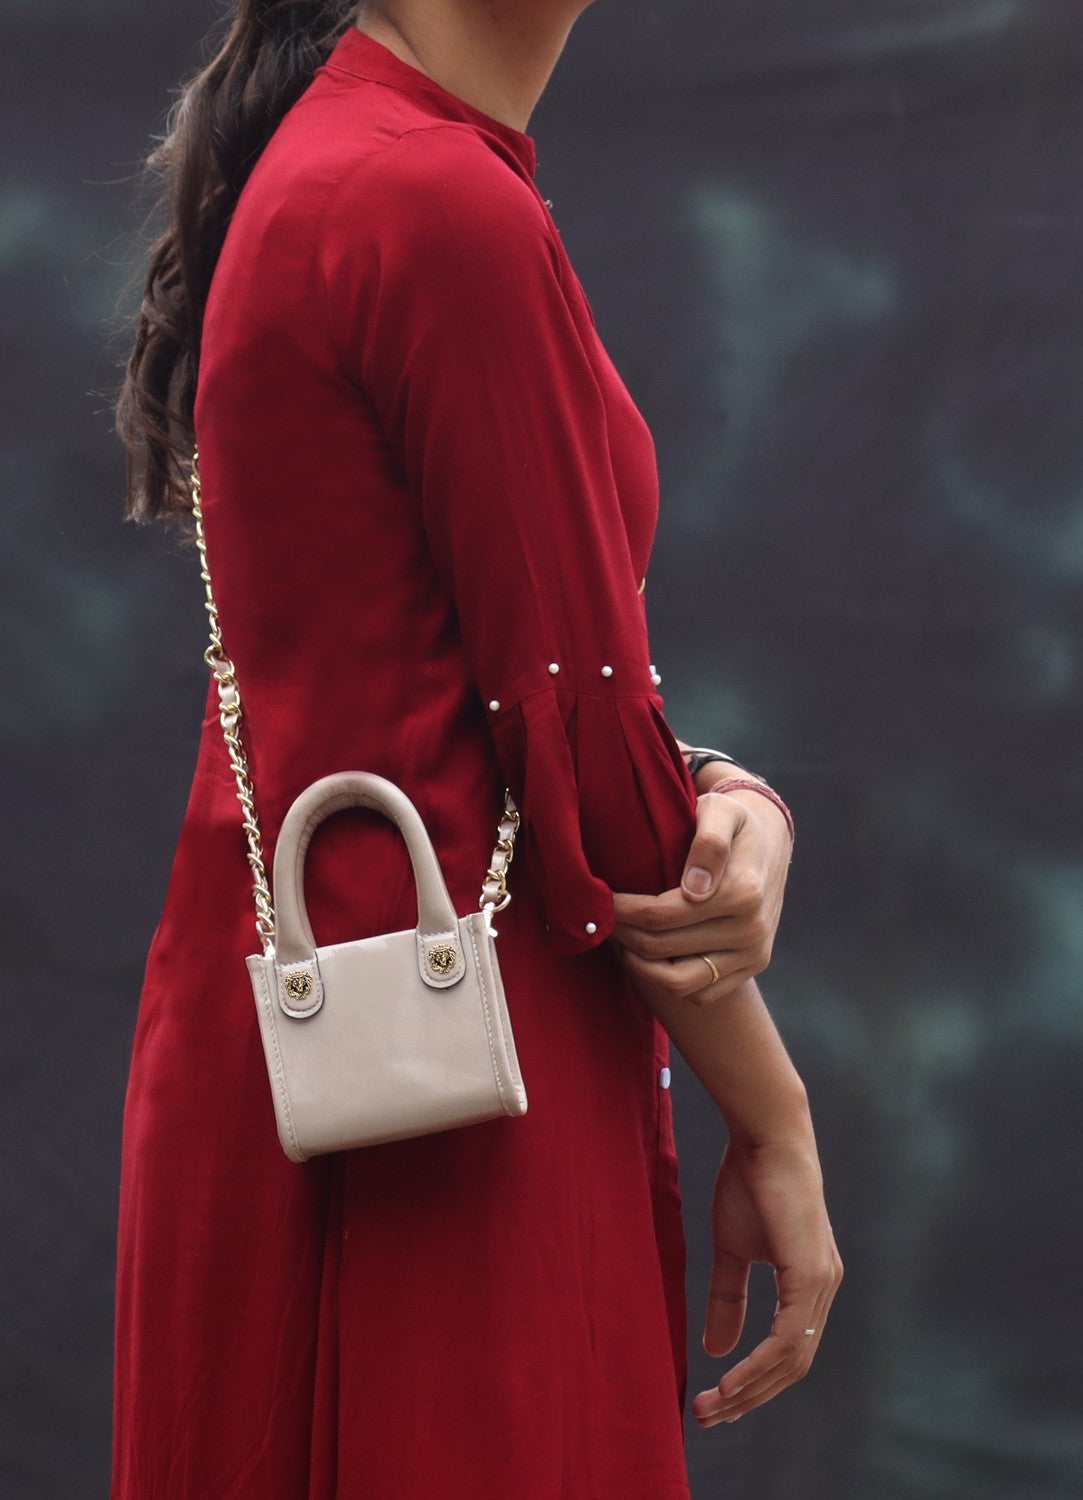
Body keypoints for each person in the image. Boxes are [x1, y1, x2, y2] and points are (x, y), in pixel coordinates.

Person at [109, 3, 842, 1496]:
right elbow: (582, 750)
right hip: (454, 1087)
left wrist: (717, 790)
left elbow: (451, 678)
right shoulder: (435, 199)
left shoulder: (343, 163)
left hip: (321, 1037)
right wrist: (777, 1117)